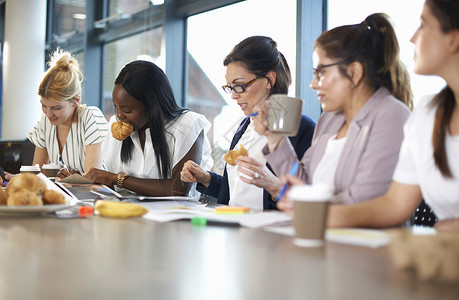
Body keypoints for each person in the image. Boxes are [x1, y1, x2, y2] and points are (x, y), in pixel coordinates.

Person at [321, 0, 459, 230]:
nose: (412, 38)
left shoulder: (391, 114)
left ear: (453, 39)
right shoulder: (427, 114)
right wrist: (318, 215)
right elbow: (395, 203)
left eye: (423, 26)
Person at [255, 13, 412, 206]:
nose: (313, 84)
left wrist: (307, 206)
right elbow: (304, 185)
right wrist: (275, 138)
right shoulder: (329, 119)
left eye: (321, 72)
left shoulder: (392, 115)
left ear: (354, 72)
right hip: (323, 232)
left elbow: (367, 200)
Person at [180, 36, 316, 210]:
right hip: (234, 228)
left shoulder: (302, 129)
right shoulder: (244, 126)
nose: (234, 95)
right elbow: (235, 191)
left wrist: (272, 184)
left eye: (240, 85)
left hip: (270, 232)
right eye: (230, 87)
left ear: (269, 80)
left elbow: (309, 199)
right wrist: (206, 178)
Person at [85, 60, 212, 196]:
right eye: (116, 107)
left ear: (153, 106)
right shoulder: (116, 125)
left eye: (127, 111)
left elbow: (177, 189)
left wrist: (117, 179)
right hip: (128, 212)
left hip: (173, 214)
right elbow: (110, 183)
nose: (119, 116)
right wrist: (83, 180)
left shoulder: (187, 125)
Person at [27, 49, 108, 175]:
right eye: (44, 106)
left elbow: (93, 177)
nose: (49, 114)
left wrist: (67, 180)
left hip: (95, 194)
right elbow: (38, 173)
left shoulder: (89, 117)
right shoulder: (45, 121)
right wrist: (16, 179)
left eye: (56, 108)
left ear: (76, 101)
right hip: (66, 193)